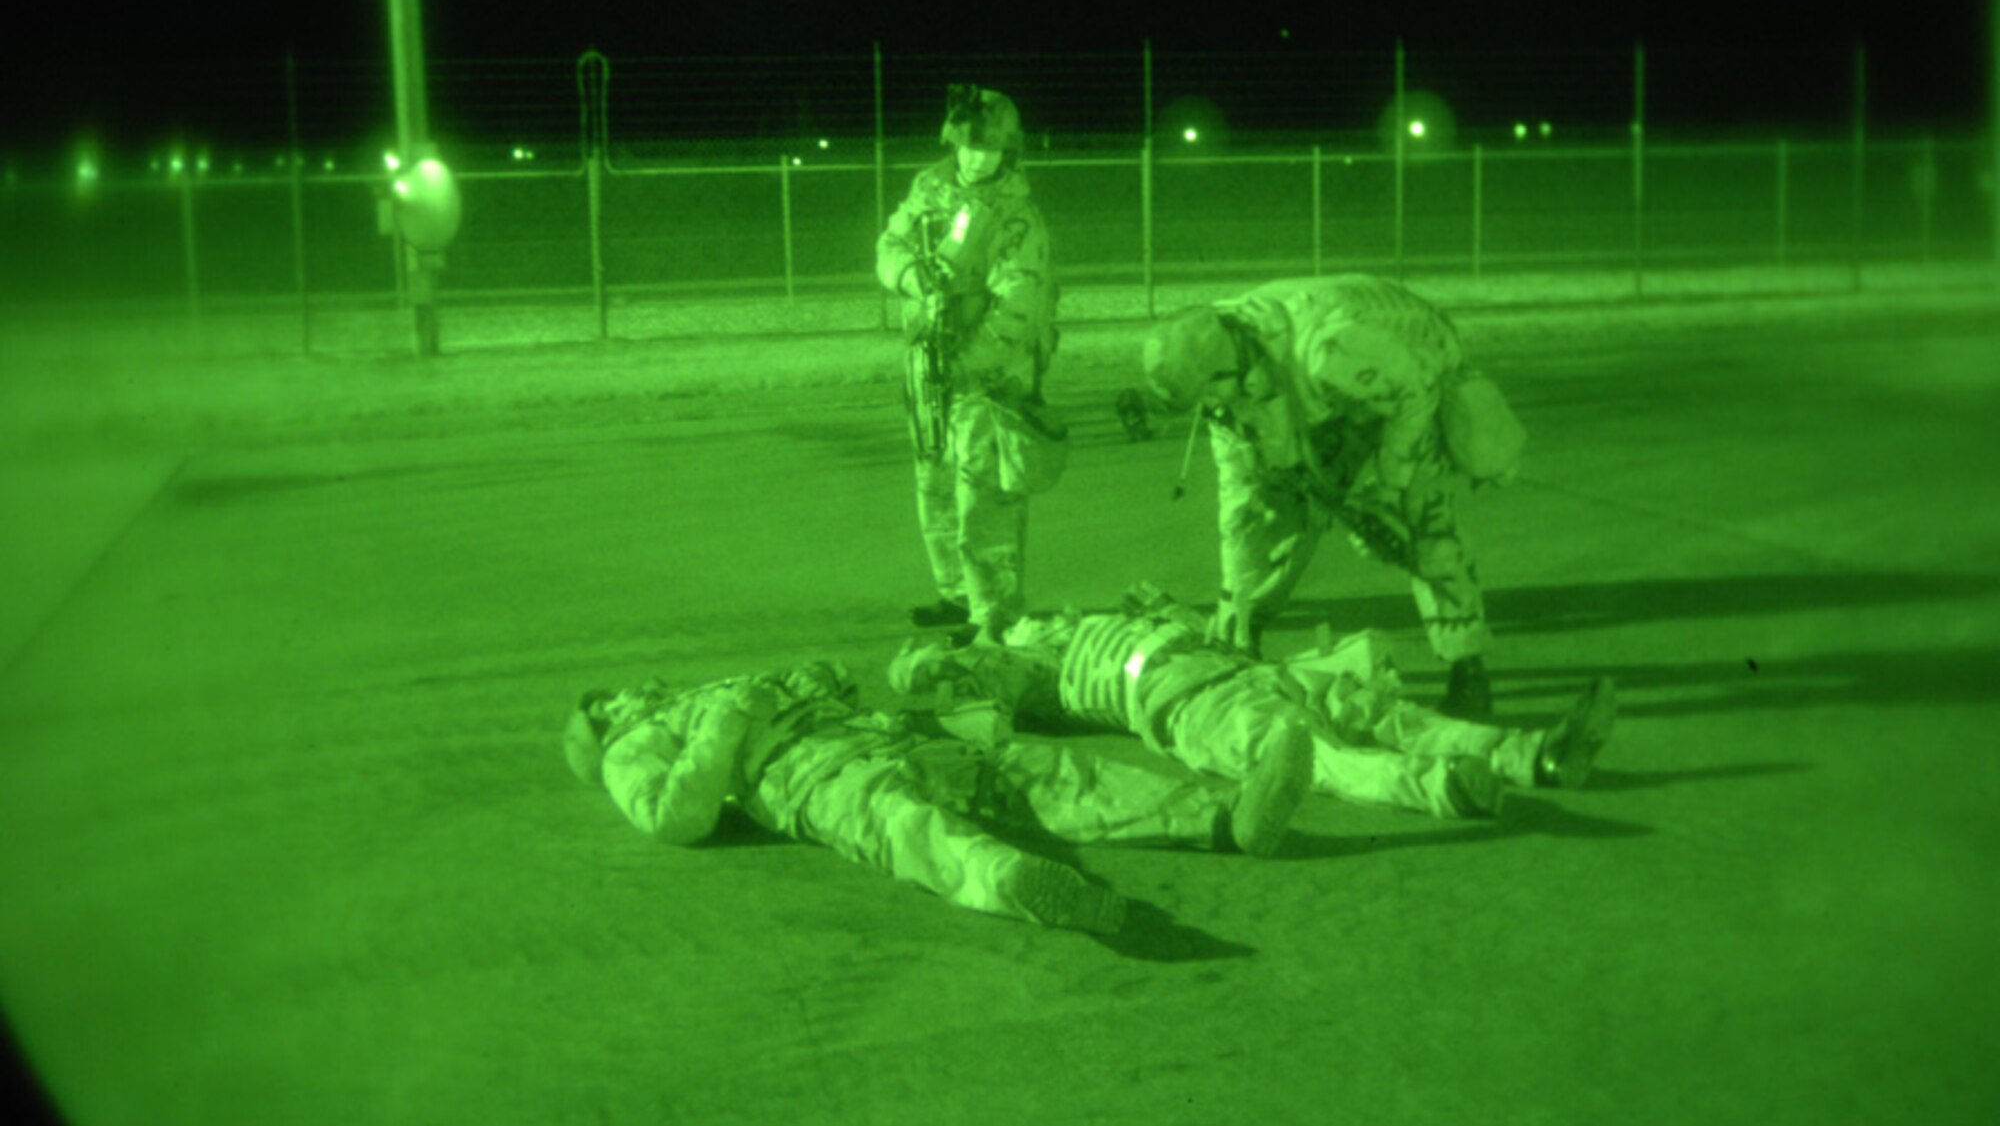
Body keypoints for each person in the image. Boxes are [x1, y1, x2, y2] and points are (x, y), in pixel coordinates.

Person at [562, 658, 1312, 936]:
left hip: (878, 735)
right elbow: (674, 818)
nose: (628, 689)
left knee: (1036, 772)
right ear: (603, 725)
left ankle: (1227, 817)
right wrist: (725, 724)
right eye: (608, 700)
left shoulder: (698, 693)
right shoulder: (632, 747)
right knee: (912, 830)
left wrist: (813, 681)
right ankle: (1020, 885)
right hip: (810, 778)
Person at [888, 584, 1616, 823]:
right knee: (1314, 753)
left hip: (1241, 667)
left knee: (1385, 713)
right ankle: (1443, 786)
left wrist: (1167, 607)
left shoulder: (1081, 620)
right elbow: (956, 684)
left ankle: (1536, 755)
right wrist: (950, 662)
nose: (1026, 619)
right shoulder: (1019, 670)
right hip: (1186, 704)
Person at [1139, 274, 1525, 719]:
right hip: (1324, 392)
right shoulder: (1214, 376)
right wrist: (1235, 613)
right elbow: (1240, 504)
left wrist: (1388, 483)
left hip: (1412, 366)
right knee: (1273, 505)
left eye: (1211, 392)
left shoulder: (1326, 351)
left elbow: (1414, 395)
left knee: (1422, 520)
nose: (1210, 406)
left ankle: (1468, 670)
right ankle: (1246, 637)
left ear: (1234, 366)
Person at [876, 84, 1062, 645]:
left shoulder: (1016, 217)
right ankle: (958, 595)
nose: (980, 157)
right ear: (953, 143)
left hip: (989, 377)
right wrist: (910, 277)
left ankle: (995, 613)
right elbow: (890, 245)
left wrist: (963, 365)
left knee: (985, 496)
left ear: (1010, 153)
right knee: (933, 482)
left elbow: (1016, 312)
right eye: (971, 146)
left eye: (993, 149)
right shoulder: (928, 189)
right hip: (931, 361)